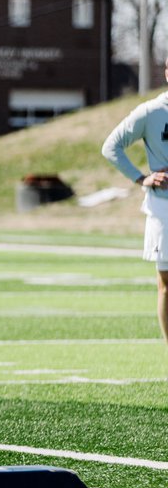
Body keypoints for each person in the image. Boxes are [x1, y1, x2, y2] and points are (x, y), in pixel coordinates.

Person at [102, 57, 168, 342]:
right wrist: (142, 179)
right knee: (166, 285)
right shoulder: (151, 112)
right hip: (164, 207)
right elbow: (111, 147)